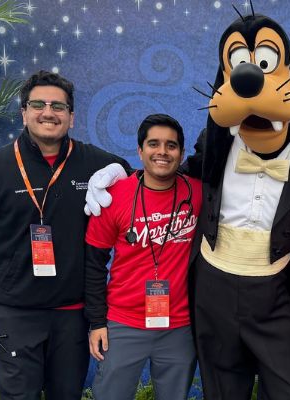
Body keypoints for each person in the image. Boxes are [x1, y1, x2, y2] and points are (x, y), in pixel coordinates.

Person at [0, 70, 131, 400]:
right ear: (24, 112)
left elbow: (141, 183)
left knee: (67, 394)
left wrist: (121, 171)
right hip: (15, 312)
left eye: (58, 107)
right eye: (38, 104)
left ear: (71, 117)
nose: (48, 112)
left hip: (72, 314)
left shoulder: (93, 164)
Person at [84, 114, 202, 399]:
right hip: (123, 323)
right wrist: (97, 322)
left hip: (180, 326)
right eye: (154, 144)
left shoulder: (199, 194)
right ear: (140, 150)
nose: (162, 151)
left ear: (181, 153)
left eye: (171, 145)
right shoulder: (113, 196)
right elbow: (93, 265)